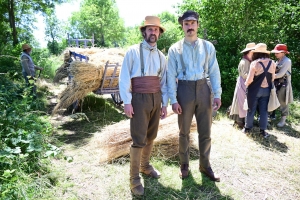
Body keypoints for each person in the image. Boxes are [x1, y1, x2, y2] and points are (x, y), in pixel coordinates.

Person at [167, 10, 222, 182]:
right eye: (186, 24)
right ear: (182, 26)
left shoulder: (208, 47)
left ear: (198, 25)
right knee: (183, 131)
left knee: (205, 131)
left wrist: (217, 94)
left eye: (192, 23)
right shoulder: (175, 49)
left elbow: (214, 72)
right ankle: (184, 164)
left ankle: (205, 165)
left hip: (204, 88)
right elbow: (169, 76)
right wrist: (173, 99)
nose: (190, 26)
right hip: (183, 88)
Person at [119, 16, 168, 196]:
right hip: (138, 98)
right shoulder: (132, 52)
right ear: (144, 31)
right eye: (150, 29)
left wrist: (164, 104)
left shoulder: (162, 57)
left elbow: (164, 82)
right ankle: (134, 178)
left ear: (159, 33)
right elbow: (124, 77)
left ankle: (145, 166)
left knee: (151, 135)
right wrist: (127, 101)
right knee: (138, 138)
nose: (153, 32)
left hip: (156, 98)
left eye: (156, 30)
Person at [243, 43, 276, 138]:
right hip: (267, 90)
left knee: (250, 109)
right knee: (264, 111)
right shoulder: (272, 63)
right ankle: (263, 131)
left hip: (254, 90)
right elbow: (273, 78)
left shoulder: (255, 63)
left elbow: (249, 79)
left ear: (256, 53)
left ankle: (247, 129)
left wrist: (246, 86)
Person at [229, 43, 256, 128]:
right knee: (241, 102)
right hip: (243, 83)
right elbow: (244, 75)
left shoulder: (248, 60)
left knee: (243, 102)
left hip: (245, 83)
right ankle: (239, 121)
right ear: (251, 51)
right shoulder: (245, 61)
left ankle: (241, 120)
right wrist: (255, 76)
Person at [270, 44, 293, 127]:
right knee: (273, 98)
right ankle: (272, 115)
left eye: (277, 53)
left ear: (283, 52)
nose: (275, 54)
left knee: (283, 101)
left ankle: (283, 120)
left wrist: (270, 76)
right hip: (276, 82)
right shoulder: (278, 60)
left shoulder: (287, 61)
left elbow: (281, 74)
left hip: (284, 83)